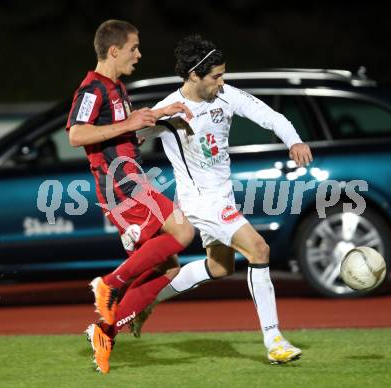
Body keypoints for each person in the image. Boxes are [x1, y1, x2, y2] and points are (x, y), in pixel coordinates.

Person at [130, 34, 313, 364]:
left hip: (222, 197)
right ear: (194, 76)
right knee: (259, 249)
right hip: (201, 201)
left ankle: (148, 300)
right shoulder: (170, 109)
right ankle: (274, 340)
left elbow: (270, 116)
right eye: (215, 76)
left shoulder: (227, 95)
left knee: (220, 266)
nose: (222, 81)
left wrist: (294, 141)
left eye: (223, 74)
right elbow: (131, 138)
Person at [66, 20, 195, 373]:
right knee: (183, 233)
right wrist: (129, 124)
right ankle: (108, 284)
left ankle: (105, 332)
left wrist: (158, 117)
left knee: (167, 270)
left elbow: (127, 134)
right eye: (133, 48)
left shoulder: (116, 88)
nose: (138, 55)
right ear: (113, 50)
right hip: (120, 186)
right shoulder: (93, 88)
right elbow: (77, 135)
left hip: (131, 181)